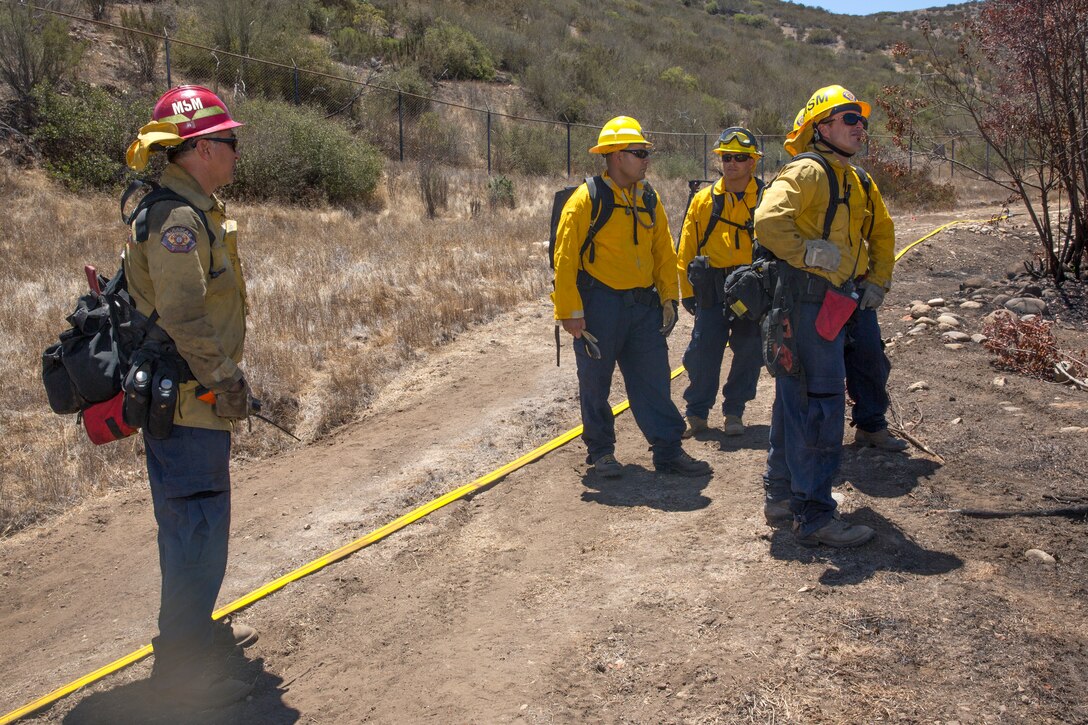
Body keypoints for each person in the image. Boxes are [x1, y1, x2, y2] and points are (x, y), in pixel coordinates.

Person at [123, 85, 257, 705]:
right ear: (200, 149)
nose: (234, 151)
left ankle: (189, 638)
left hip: (186, 398)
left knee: (189, 527)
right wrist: (226, 378)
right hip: (190, 403)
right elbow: (182, 313)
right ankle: (185, 674)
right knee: (196, 530)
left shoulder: (192, 210)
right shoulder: (178, 219)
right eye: (227, 142)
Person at [754, 85, 896, 547]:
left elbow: (883, 231)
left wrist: (876, 279)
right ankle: (813, 515)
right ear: (822, 126)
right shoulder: (809, 171)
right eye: (848, 117)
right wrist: (809, 253)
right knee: (821, 404)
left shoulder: (857, 180)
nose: (860, 126)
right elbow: (769, 223)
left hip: (836, 301)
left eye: (862, 120)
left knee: (794, 402)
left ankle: (781, 496)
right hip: (809, 301)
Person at [553, 115, 711, 479]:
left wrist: (669, 298)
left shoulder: (649, 198)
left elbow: (663, 252)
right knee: (595, 382)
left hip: (643, 307)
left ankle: (669, 451)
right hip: (599, 307)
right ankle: (601, 453)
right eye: (638, 152)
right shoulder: (585, 200)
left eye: (645, 152)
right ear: (614, 155)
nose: (645, 159)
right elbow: (565, 260)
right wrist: (569, 312)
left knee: (653, 380)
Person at [677, 127, 765, 438]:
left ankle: (734, 411)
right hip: (712, 288)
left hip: (751, 288)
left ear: (752, 162)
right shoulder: (703, 201)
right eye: (727, 157)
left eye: (740, 158)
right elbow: (686, 249)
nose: (732, 163)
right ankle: (697, 413)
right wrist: (687, 292)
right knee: (703, 351)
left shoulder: (767, 199)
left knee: (750, 350)